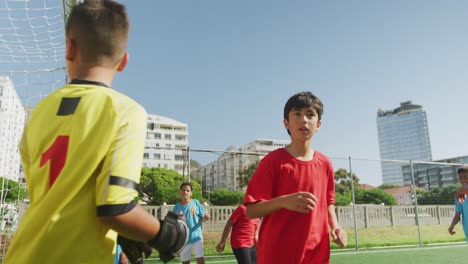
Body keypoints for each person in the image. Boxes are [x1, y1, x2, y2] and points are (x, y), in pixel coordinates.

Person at [4, 1, 187, 263]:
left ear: (69, 47)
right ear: (123, 61)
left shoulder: (39, 111)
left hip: (22, 254)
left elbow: (65, 200)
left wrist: (118, 244)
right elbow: (114, 208)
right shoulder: (125, 112)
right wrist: (169, 234)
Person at [243, 91, 347, 264]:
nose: (304, 119)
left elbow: (328, 203)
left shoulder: (325, 164)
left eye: (310, 114)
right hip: (277, 254)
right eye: (297, 114)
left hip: (317, 253)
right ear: (286, 123)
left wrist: (336, 227)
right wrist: (283, 201)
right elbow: (251, 210)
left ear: (318, 124)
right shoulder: (273, 162)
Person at [173, 182, 210, 264]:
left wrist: (206, 217)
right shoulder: (176, 207)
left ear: (191, 193)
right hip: (184, 240)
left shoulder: (195, 203)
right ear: (180, 192)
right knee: (185, 262)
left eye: (187, 190)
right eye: (183, 190)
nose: (185, 192)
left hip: (196, 238)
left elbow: (203, 216)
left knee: (200, 261)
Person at [449, 166, 468, 240]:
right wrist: (452, 226)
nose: (463, 179)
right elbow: (457, 214)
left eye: (466, 177)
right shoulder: (459, 196)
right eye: (460, 177)